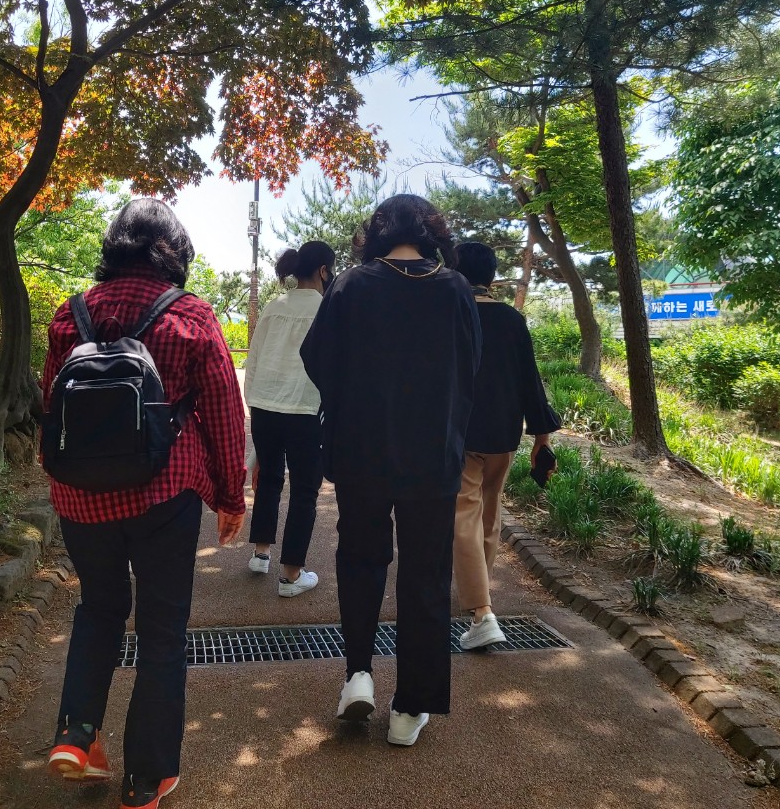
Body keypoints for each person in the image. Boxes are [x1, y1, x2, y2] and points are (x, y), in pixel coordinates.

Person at [41, 199, 245, 809]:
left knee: (99, 607)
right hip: (164, 493)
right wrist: (230, 496)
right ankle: (145, 781)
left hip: (81, 497)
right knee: (162, 632)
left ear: (114, 247)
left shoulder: (70, 314)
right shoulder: (190, 316)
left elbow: (53, 405)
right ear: (174, 252)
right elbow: (224, 412)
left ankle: (77, 735)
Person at [300, 194, 480, 748]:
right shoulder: (454, 288)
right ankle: (410, 708)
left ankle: (358, 674)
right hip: (432, 457)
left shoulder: (351, 285)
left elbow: (316, 357)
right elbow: (470, 365)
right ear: (431, 231)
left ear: (377, 232)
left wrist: (354, 394)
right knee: (425, 575)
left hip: (362, 451)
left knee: (360, 560)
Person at [451, 242, 560, 650]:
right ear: (492, 277)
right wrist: (542, 438)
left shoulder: (452, 315)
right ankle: (480, 595)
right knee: (489, 513)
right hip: (503, 433)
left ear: (455, 274)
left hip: (460, 433)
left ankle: (482, 612)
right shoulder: (512, 319)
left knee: (463, 513)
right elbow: (530, 380)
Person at [242, 241, 335, 597]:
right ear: (323, 270)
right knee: (305, 491)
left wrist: (253, 402)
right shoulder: (328, 309)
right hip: (306, 409)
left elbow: (254, 358)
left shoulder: (274, 306)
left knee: (268, 479)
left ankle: (260, 553)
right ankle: (291, 575)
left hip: (264, 406)